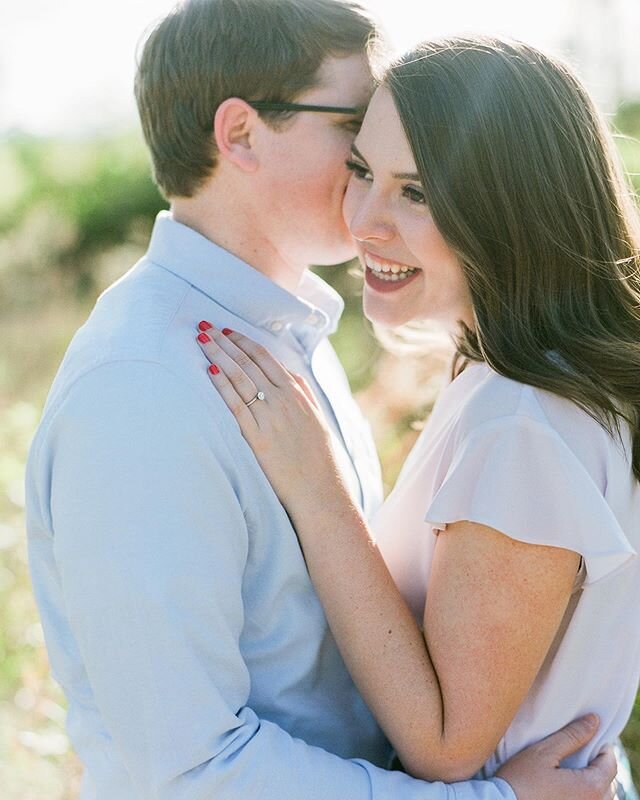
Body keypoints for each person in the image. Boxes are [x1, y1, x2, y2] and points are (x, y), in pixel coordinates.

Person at [25, 2, 617, 797]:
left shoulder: (287, 338)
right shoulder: (142, 390)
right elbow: (188, 771)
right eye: (355, 130)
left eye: (415, 177)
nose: (367, 183)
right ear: (239, 136)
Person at [195, 35, 640, 799]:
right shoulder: (525, 377)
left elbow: (446, 744)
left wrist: (316, 489)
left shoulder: (523, 423)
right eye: (363, 171)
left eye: (419, 192)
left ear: (514, 209)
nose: (363, 220)